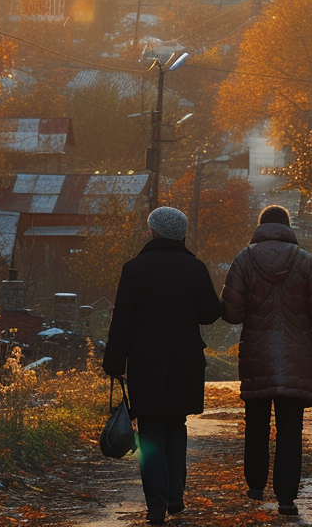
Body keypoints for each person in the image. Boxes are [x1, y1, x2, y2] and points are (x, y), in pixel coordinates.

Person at [103, 206, 222, 524]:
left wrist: (114, 362)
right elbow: (210, 313)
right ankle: (175, 496)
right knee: (176, 426)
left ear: (153, 232)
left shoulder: (135, 269)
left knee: (152, 431)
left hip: (146, 361)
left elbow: (122, 321)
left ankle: (156, 506)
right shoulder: (195, 268)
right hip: (185, 361)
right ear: (180, 234)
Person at [221, 205, 312, 518]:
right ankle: (286, 499)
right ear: (288, 228)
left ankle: (256, 486)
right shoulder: (307, 263)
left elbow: (231, 312)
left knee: (256, 425)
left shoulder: (244, 259)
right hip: (295, 359)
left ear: (261, 227)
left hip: (257, 357)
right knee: (290, 431)